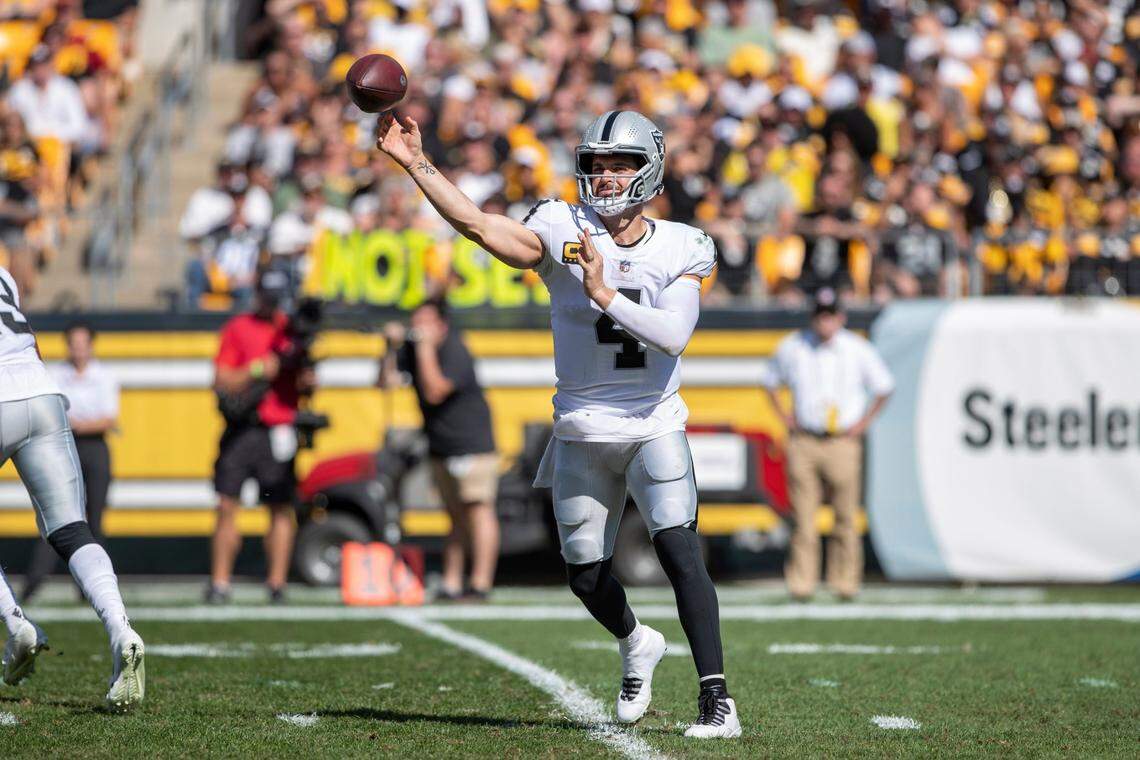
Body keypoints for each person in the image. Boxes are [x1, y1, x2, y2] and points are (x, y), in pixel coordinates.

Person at [376, 108, 741, 739]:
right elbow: (478, 225)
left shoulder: (682, 244)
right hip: (580, 426)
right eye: (597, 164)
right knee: (585, 574)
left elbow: (674, 335)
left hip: (653, 421)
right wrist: (416, 163)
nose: (606, 176)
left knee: (681, 553)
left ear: (649, 170)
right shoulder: (559, 225)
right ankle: (636, 641)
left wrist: (604, 293)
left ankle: (717, 699)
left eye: (620, 164)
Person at [0, 266, 144, 710]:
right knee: (70, 529)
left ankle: (16, 623)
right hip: (42, 393)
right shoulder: (3, 274)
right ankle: (121, 628)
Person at [761, 288, 894, 601]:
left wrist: (862, 425)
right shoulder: (794, 346)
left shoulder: (856, 348)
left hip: (842, 441)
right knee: (803, 519)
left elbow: (884, 386)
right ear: (813, 317)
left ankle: (845, 582)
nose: (825, 322)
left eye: (830, 316)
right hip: (805, 440)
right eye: (821, 316)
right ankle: (802, 583)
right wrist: (786, 418)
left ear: (840, 317)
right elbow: (769, 382)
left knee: (845, 517)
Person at [378, 299, 499, 601]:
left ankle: (480, 584)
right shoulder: (413, 349)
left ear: (441, 325)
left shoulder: (454, 348)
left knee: (478, 509)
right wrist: (389, 349)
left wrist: (424, 348)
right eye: (415, 321)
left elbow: (434, 391)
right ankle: (451, 582)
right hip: (440, 446)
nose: (418, 327)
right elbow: (384, 383)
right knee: (454, 516)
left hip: (471, 444)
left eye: (425, 322)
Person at [207, 269, 314, 604]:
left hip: (278, 430)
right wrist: (258, 369)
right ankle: (220, 582)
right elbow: (221, 379)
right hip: (242, 428)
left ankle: (277, 583)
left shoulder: (291, 330)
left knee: (280, 508)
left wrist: (305, 374)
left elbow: (306, 386)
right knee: (227, 504)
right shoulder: (238, 327)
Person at [21, 321, 119, 603]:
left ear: (91, 345)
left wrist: (76, 423)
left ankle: (90, 588)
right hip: (64, 446)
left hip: (94, 448)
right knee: (57, 514)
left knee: (95, 518)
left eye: (82, 343)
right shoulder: (56, 374)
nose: (78, 349)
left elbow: (108, 419)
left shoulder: (104, 375)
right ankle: (34, 582)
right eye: (73, 344)